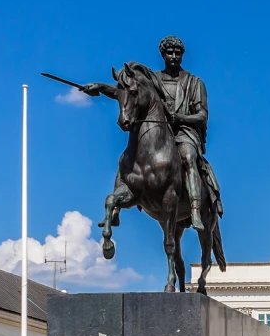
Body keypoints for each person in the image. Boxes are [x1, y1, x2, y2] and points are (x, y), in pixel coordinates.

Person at [81, 36, 221, 231]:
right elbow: (126, 91)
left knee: (189, 156)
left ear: (182, 55)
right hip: (156, 134)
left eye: (177, 53)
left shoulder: (194, 83)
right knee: (127, 157)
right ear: (162, 55)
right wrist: (100, 87)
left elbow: (202, 116)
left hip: (183, 133)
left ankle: (196, 209)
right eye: (169, 53)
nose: (173, 56)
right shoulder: (152, 80)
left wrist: (179, 117)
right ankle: (115, 210)